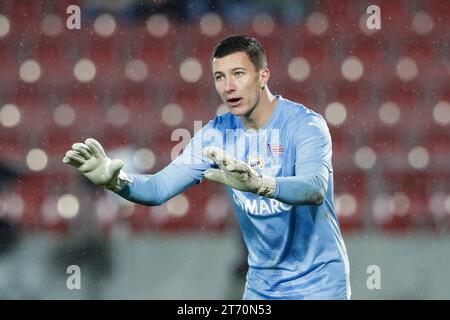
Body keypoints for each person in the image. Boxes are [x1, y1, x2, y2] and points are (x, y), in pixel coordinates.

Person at [63, 35, 351, 300]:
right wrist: (117, 183)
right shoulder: (216, 135)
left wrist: (260, 184)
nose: (228, 87)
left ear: (263, 76)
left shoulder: (305, 125)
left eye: (238, 74)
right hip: (262, 289)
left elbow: (315, 188)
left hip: (320, 285)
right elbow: (160, 188)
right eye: (219, 77)